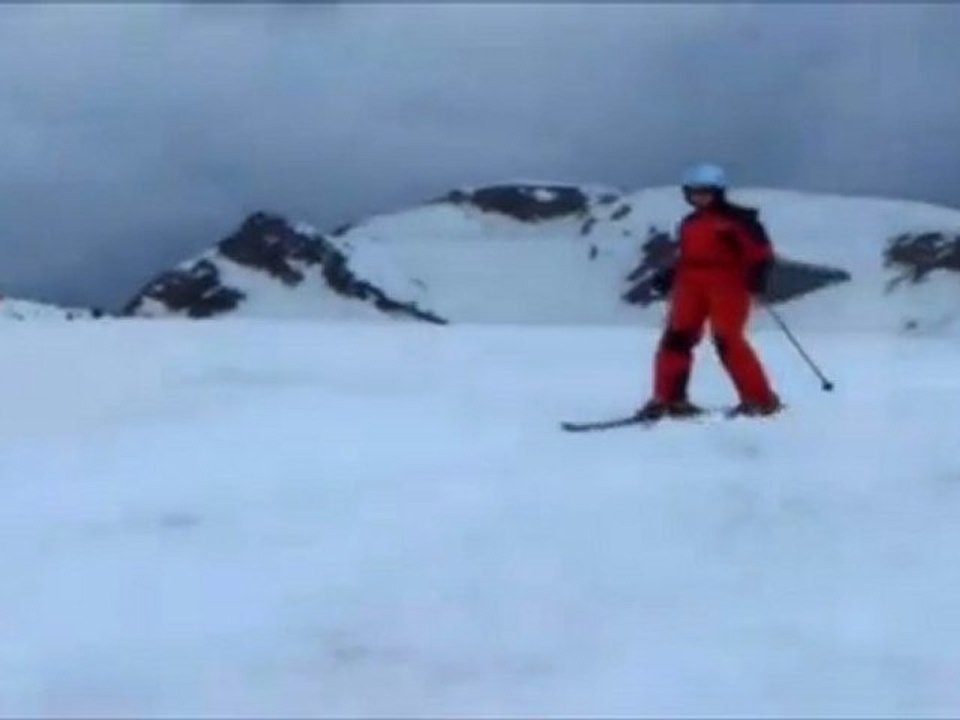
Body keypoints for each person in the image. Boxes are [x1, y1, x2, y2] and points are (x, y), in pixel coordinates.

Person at [637, 163, 782, 419]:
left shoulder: (740, 221)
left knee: (728, 340)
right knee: (676, 338)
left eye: (705, 191)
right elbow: (688, 255)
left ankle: (760, 400)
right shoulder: (689, 223)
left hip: (728, 284)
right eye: (693, 192)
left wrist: (757, 278)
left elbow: (761, 254)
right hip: (690, 284)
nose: (699, 197)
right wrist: (669, 275)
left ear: (718, 192)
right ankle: (669, 398)